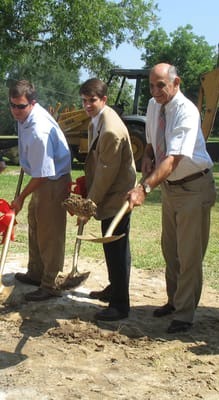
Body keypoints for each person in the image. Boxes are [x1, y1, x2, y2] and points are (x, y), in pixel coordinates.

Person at [127, 63, 216, 334]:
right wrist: (147, 155)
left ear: (176, 83)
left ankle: (185, 314)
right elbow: (154, 139)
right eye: (152, 86)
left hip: (193, 187)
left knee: (189, 254)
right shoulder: (156, 105)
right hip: (171, 188)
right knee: (171, 249)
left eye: (161, 86)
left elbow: (174, 159)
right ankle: (174, 300)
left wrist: (144, 188)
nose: (155, 91)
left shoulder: (186, 111)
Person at [79, 78, 136, 321]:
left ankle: (120, 305)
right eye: (84, 100)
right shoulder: (98, 119)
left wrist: (89, 205)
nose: (87, 105)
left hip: (116, 194)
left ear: (104, 99)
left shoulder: (111, 129)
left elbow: (106, 172)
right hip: (109, 191)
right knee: (110, 245)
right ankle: (115, 288)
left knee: (116, 247)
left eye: (92, 100)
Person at [9, 80, 72, 301]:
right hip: (42, 176)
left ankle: (50, 283)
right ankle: (36, 273)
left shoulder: (38, 130)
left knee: (50, 232)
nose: (16, 110)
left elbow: (44, 173)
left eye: (21, 106)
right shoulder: (23, 117)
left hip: (53, 181)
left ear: (32, 103)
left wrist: (21, 197)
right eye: (13, 105)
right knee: (35, 224)